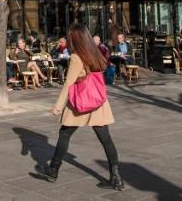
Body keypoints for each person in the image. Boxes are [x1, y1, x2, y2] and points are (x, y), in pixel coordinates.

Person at [36, 24, 123, 190]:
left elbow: (68, 83)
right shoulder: (96, 52)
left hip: (80, 101)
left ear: (74, 39)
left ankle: (53, 170)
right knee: (106, 139)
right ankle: (116, 177)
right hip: (97, 100)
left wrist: (58, 106)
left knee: (65, 134)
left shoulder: (76, 58)